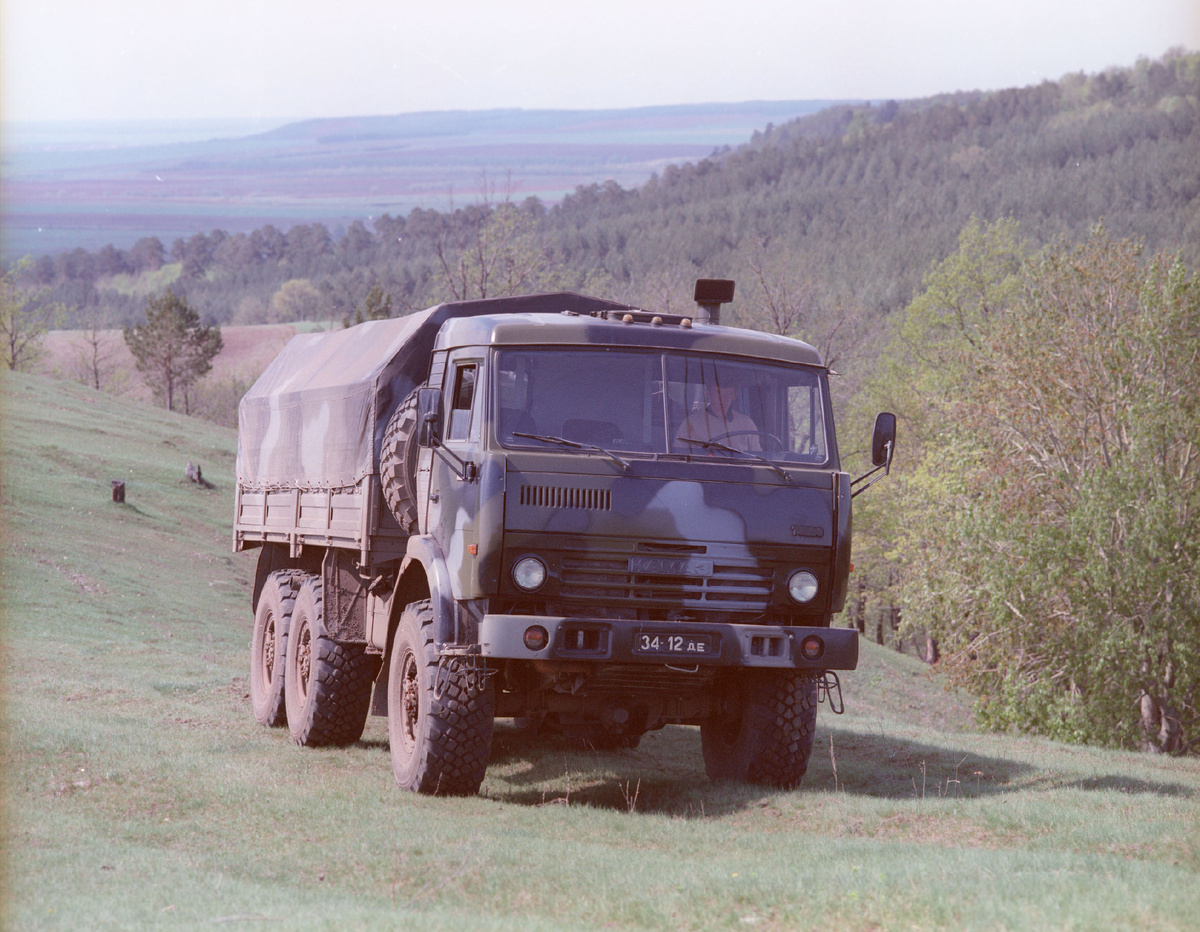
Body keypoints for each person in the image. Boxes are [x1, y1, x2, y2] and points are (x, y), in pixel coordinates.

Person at [674, 378, 761, 452]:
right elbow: (678, 459)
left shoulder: (747, 424)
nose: (723, 399)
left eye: (728, 393)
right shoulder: (690, 424)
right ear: (708, 393)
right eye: (718, 393)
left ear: (735, 395)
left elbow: (758, 459)